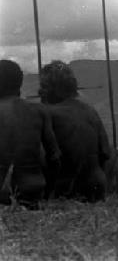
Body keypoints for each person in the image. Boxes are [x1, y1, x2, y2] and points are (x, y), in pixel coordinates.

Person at [39, 61, 113, 202]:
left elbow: (45, 157)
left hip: (64, 190)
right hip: (96, 188)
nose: (40, 91)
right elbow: (106, 152)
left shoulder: (47, 113)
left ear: (56, 89)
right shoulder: (90, 111)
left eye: (44, 87)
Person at [0, 60, 61, 209]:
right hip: (33, 190)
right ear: (19, 83)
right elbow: (54, 158)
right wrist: (49, 193)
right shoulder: (39, 111)